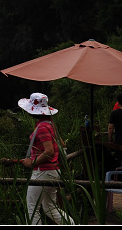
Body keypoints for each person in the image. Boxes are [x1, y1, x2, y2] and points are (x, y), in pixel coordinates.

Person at [19, 93, 74, 225]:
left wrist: (32, 162)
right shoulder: (49, 124)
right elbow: (61, 144)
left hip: (42, 172)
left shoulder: (42, 127)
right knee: (50, 207)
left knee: (32, 208)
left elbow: (49, 151)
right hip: (53, 171)